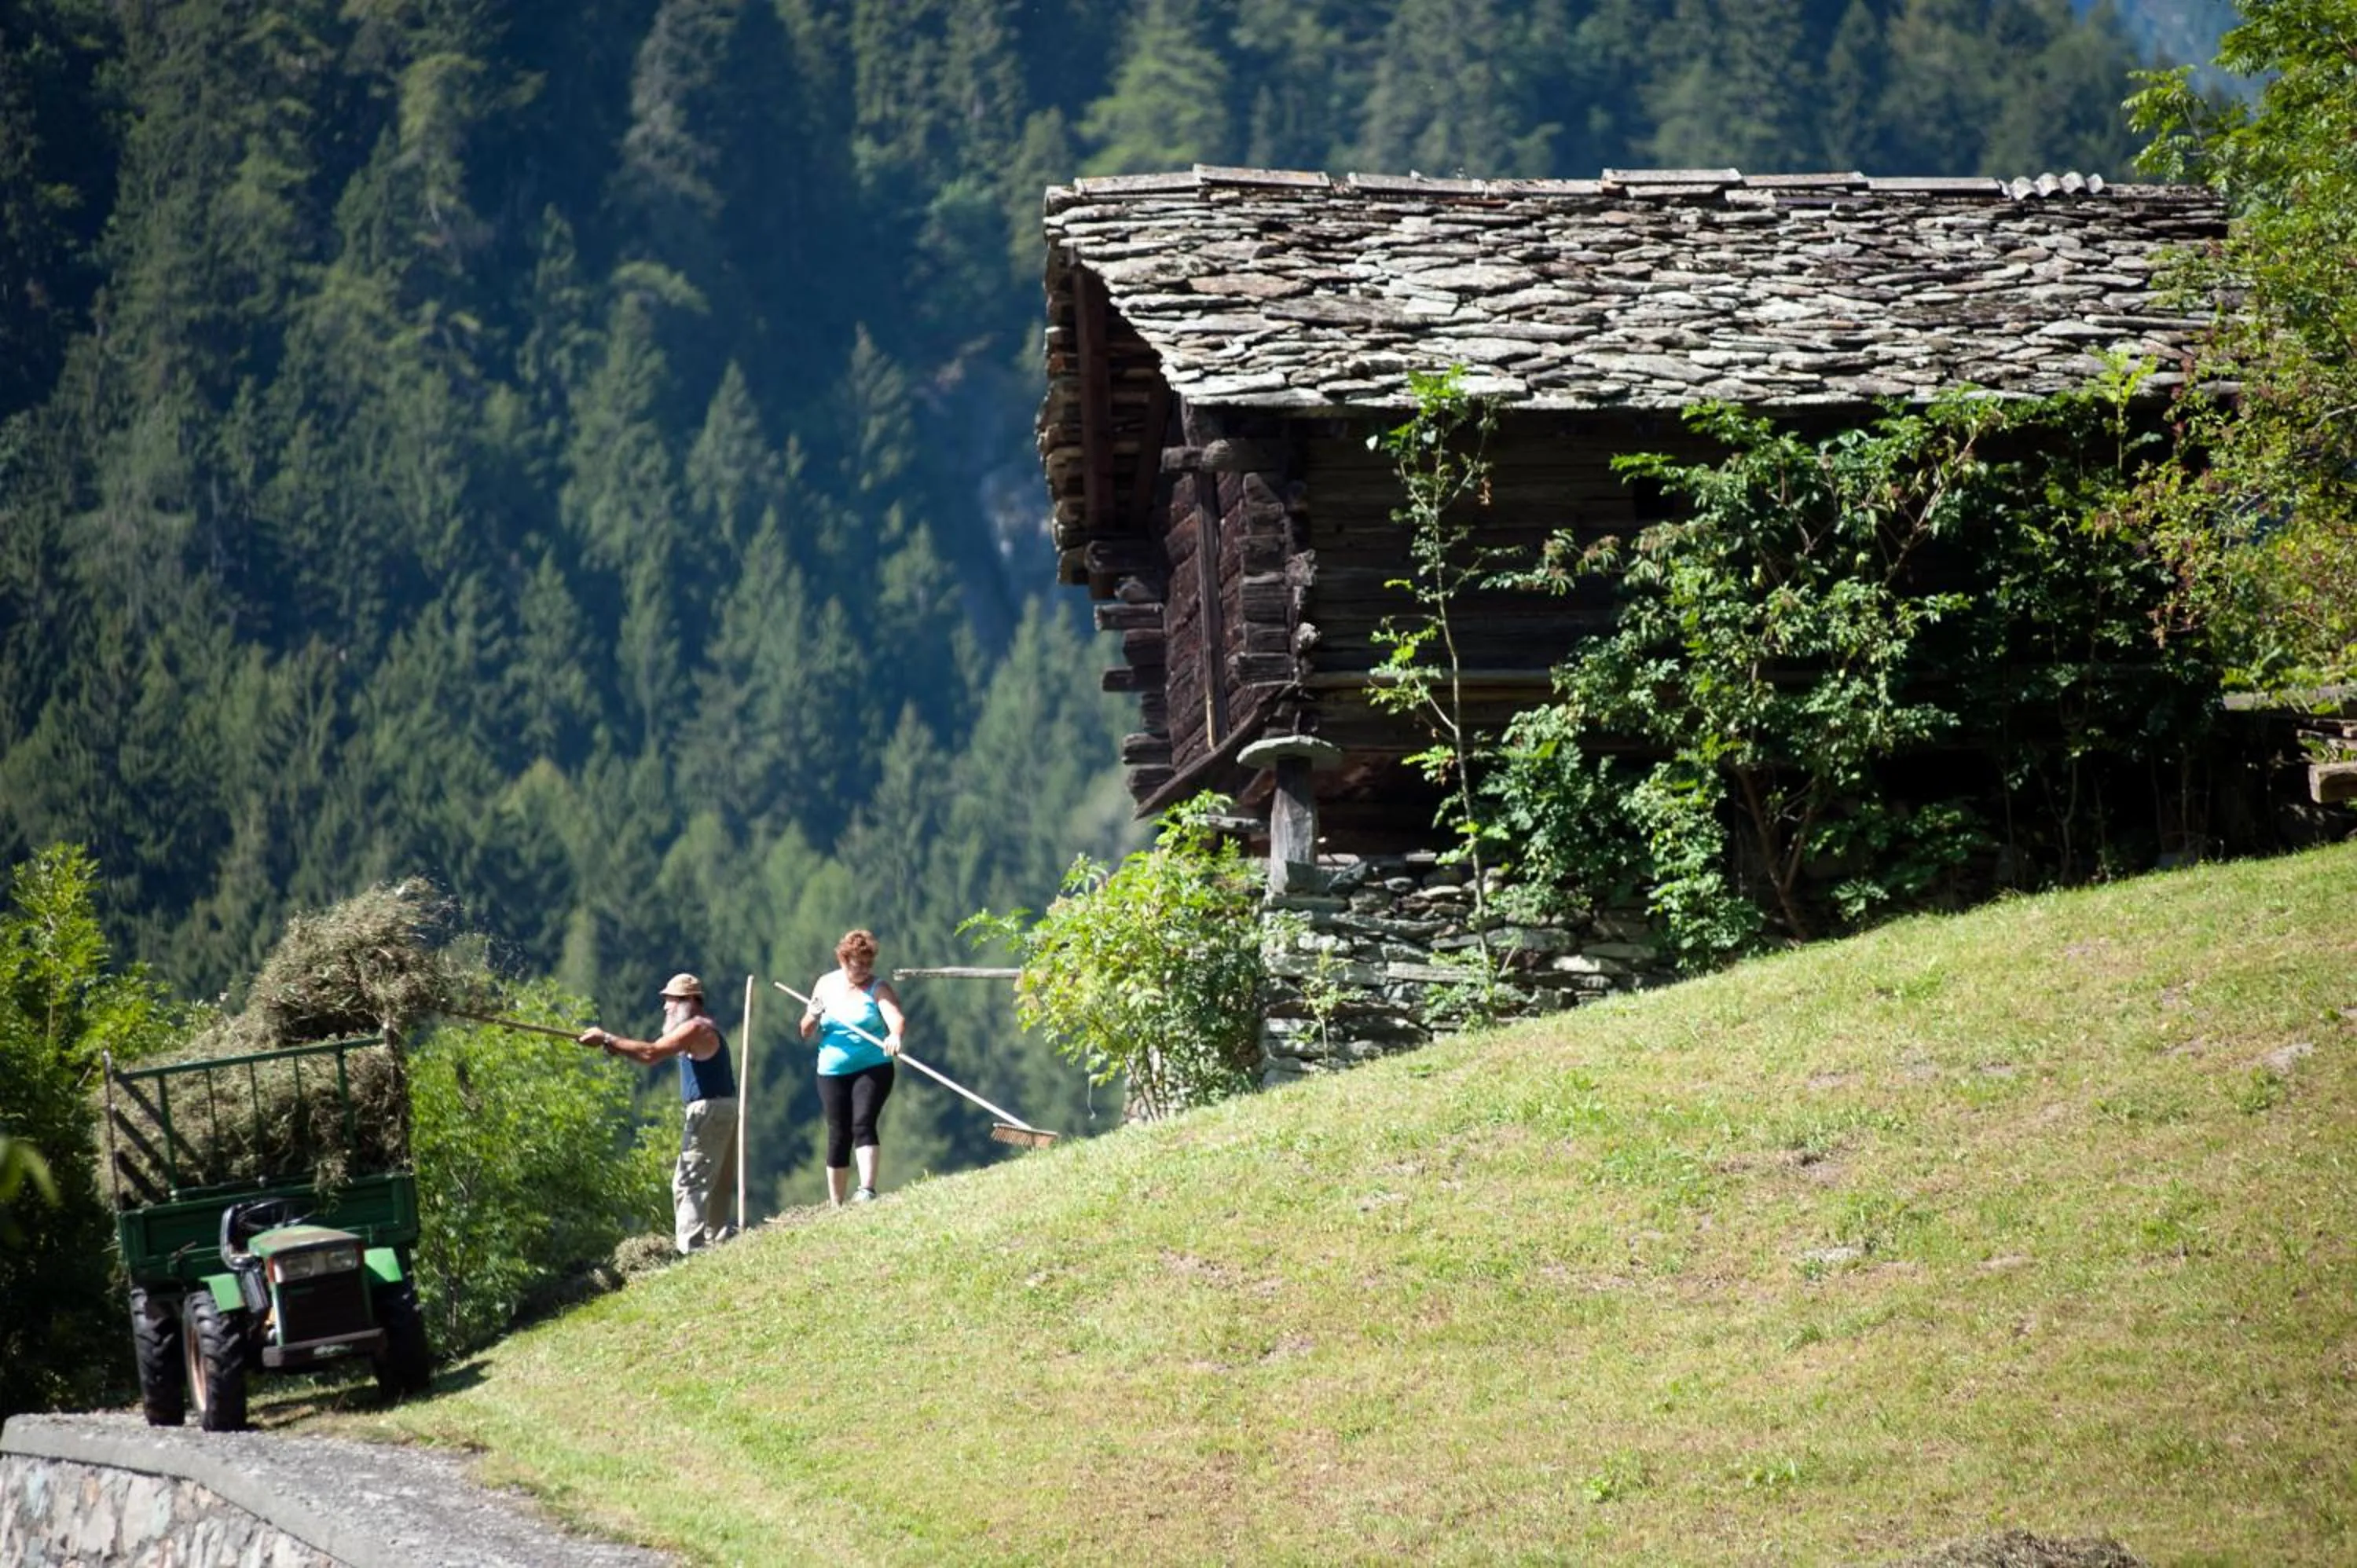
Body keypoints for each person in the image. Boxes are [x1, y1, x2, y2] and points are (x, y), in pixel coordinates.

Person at [580, 973, 738, 1253]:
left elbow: (651, 1053)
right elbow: (648, 1051)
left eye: (672, 1001)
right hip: (719, 1108)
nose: (666, 1007)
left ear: (691, 1000)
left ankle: (692, 1248)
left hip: (709, 1110)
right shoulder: (699, 1029)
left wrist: (607, 1038)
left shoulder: (696, 1029)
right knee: (713, 1181)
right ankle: (717, 1240)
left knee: (689, 1180)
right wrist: (615, 1046)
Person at [797, 929, 904, 1205]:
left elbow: (895, 1017)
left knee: (863, 1122)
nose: (864, 970)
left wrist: (894, 1036)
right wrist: (814, 1013)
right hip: (832, 1072)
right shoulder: (825, 985)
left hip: (873, 1067)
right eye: (859, 965)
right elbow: (806, 1030)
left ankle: (866, 1190)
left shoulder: (877, 987)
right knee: (838, 1131)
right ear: (843, 960)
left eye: (869, 964)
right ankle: (836, 1203)